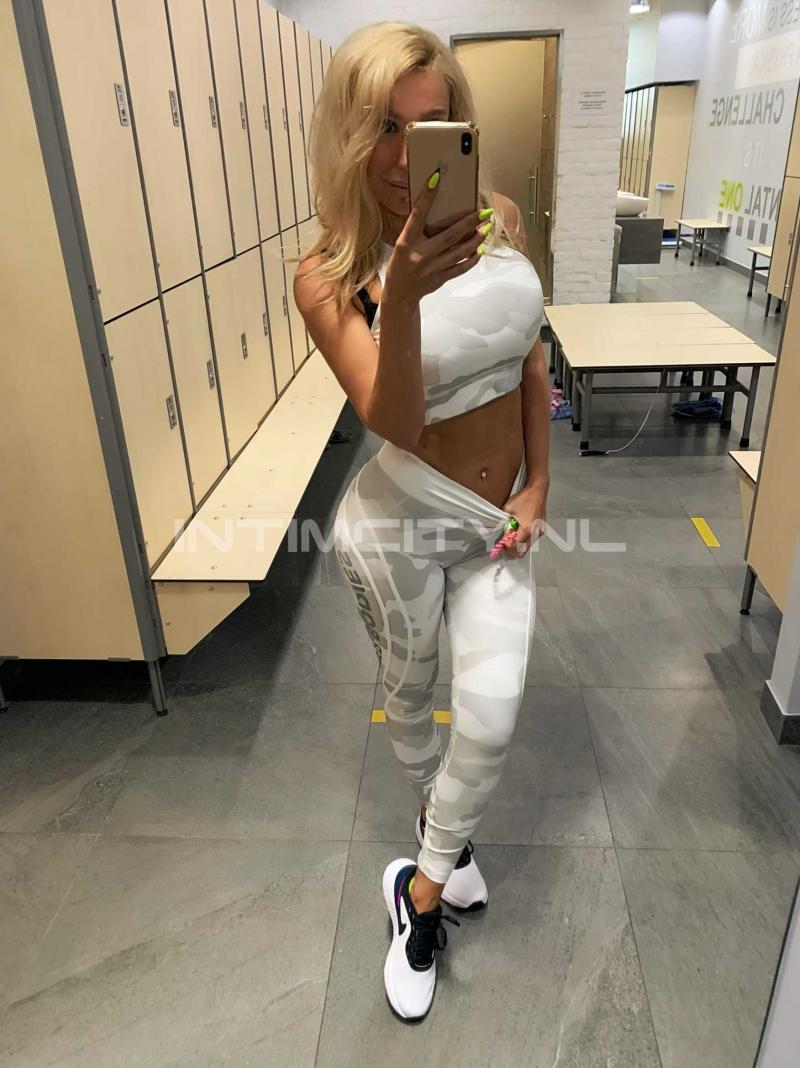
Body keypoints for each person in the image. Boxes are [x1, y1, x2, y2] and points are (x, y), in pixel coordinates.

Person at [294, 21, 550, 1022]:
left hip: (495, 519)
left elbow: (530, 354)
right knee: (411, 705)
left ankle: (421, 891)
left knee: (489, 715)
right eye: (385, 129)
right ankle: (440, 841)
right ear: (351, 135)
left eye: (431, 124)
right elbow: (391, 421)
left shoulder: (497, 216)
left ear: (460, 126)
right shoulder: (327, 275)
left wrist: (539, 484)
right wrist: (398, 295)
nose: (408, 157)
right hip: (398, 521)